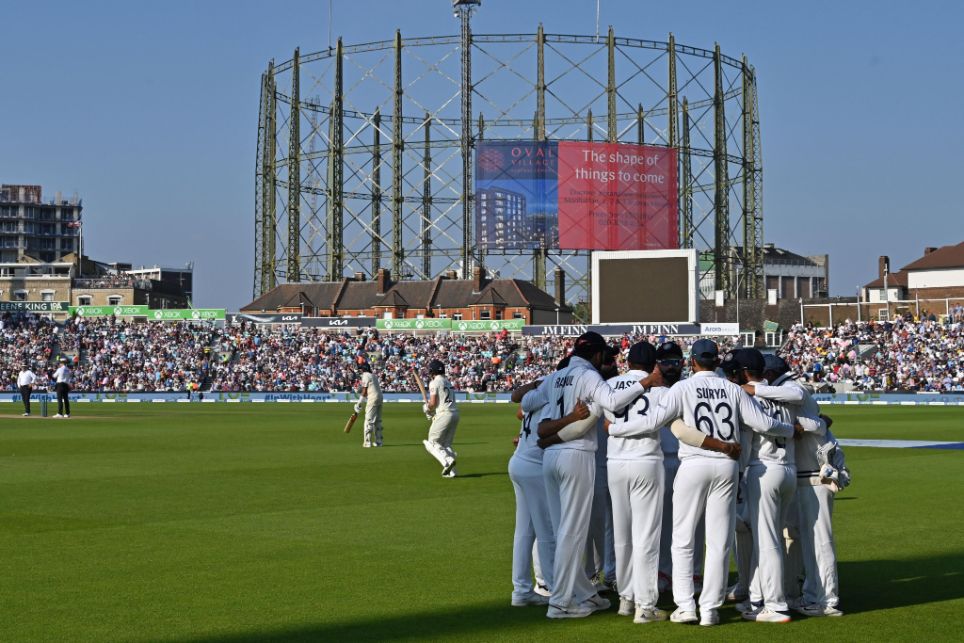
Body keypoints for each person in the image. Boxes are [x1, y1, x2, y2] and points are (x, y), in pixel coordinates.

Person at [621, 338, 796, 627]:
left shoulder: (682, 387)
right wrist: (790, 429)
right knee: (719, 541)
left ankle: (686, 606)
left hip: (693, 462)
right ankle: (711, 609)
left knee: (683, 539)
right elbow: (763, 424)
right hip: (727, 465)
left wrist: (617, 427)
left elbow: (653, 421)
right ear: (717, 361)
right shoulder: (732, 389)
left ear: (692, 361)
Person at [534, 331, 647, 619]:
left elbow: (527, 402)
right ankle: (560, 603)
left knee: (564, 529)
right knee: (573, 531)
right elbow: (613, 402)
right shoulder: (588, 375)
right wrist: (644, 383)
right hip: (577, 454)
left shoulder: (556, 376)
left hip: (551, 456)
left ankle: (584, 592)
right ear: (596, 355)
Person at [751, 354, 846, 617]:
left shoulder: (792, 387)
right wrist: (816, 423)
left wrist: (752, 389)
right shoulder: (786, 388)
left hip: (814, 474)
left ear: (769, 375)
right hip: (804, 473)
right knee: (801, 537)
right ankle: (807, 594)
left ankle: (824, 600)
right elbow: (818, 421)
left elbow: (810, 416)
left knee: (818, 539)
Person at [507, 357, 590, 608]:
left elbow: (520, 408)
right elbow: (547, 432)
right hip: (534, 465)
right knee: (547, 534)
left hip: (519, 461)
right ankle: (556, 591)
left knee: (525, 532)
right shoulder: (557, 392)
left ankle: (521, 590)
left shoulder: (541, 389)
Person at [423, 359, 459, 477]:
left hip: (445, 414)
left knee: (431, 442)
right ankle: (452, 472)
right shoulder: (448, 382)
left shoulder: (434, 382)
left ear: (432, 371)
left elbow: (433, 403)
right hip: (454, 414)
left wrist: (427, 408)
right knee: (445, 444)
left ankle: (447, 461)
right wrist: (432, 411)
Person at [355, 362, 383, 448]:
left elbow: (365, 391)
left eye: (360, 369)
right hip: (380, 398)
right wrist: (359, 389)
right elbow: (368, 388)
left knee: (368, 420)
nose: (359, 371)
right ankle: (379, 442)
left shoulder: (365, 375)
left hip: (373, 398)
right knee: (377, 421)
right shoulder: (373, 375)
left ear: (363, 369)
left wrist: (359, 403)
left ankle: (367, 443)